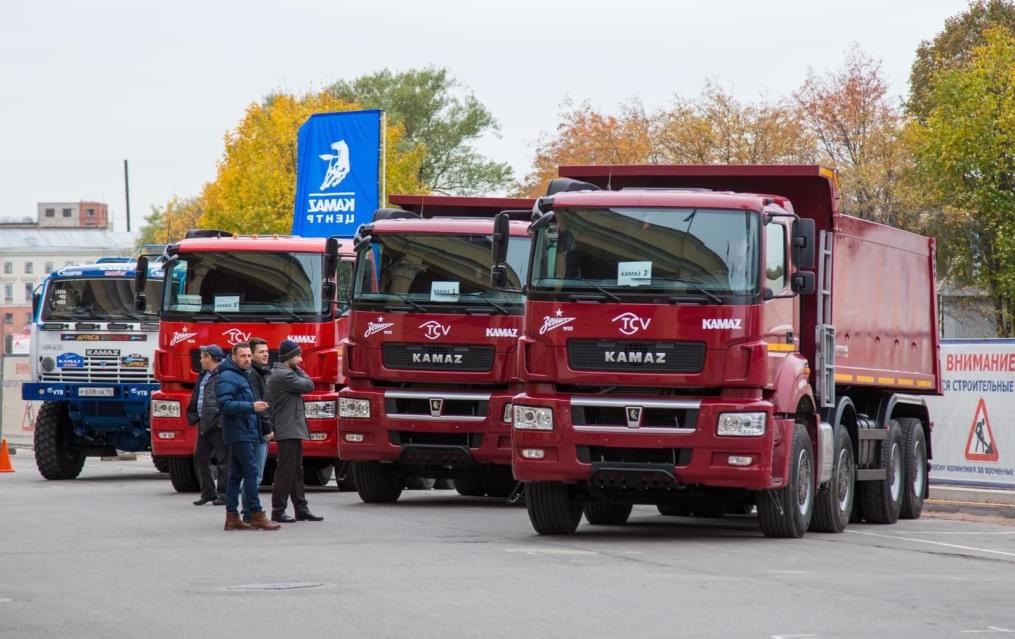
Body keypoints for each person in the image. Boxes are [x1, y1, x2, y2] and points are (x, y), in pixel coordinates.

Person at [217, 342, 279, 531]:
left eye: (249, 356)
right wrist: (251, 407)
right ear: (234, 357)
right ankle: (256, 513)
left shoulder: (243, 375)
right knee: (251, 472)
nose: (247, 359)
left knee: (236, 475)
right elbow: (224, 404)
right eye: (243, 356)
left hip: (246, 430)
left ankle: (232, 517)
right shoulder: (228, 376)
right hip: (239, 431)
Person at [268, 339, 323, 523]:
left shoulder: (284, 373)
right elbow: (309, 385)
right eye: (297, 356)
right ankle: (278, 510)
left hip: (291, 428)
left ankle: (301, 508)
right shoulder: (284, 375)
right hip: (287, 429)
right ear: (288, 357)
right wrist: (297, 368)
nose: (300, 360)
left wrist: (294, 366)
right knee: (286, 471)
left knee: (296, 471)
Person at [189, 344, 227, 506]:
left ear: (210, 358)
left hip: (217, 424)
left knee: (224, 460)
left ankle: (224, 494)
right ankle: (208, 493)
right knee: (200, 458)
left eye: (203, 357)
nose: (200, 360)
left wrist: (219, 419)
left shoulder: (224, 375)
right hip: (204, 423)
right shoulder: (204, 375)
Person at [241, 337, 275, 523]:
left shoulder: (262, 373)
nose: (266, 355)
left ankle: (248, 511)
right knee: (255, 474)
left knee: (252, 474)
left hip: (256, 429)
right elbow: (259, 404)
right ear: (252, 354)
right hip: (257, 431)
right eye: (261, 352)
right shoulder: (254, 375)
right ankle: (251, 513)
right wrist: (267, 428)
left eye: (267, 351)